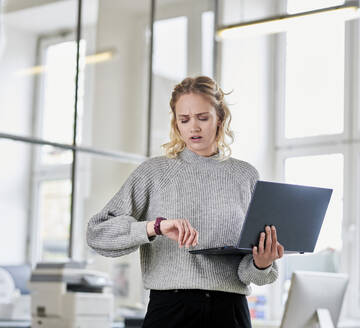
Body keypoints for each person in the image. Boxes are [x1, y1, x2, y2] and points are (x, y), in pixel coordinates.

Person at [86, 76, 284, 328]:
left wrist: (261, 263)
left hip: (230, 312)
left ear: (220, 119)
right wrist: (153, 227)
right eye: (184, 119)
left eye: (203, 118)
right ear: (176, 123)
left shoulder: (245, 176)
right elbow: (97, 233)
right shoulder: (154, 172)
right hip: (171, 311)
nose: (194, 127)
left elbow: (250, 274)